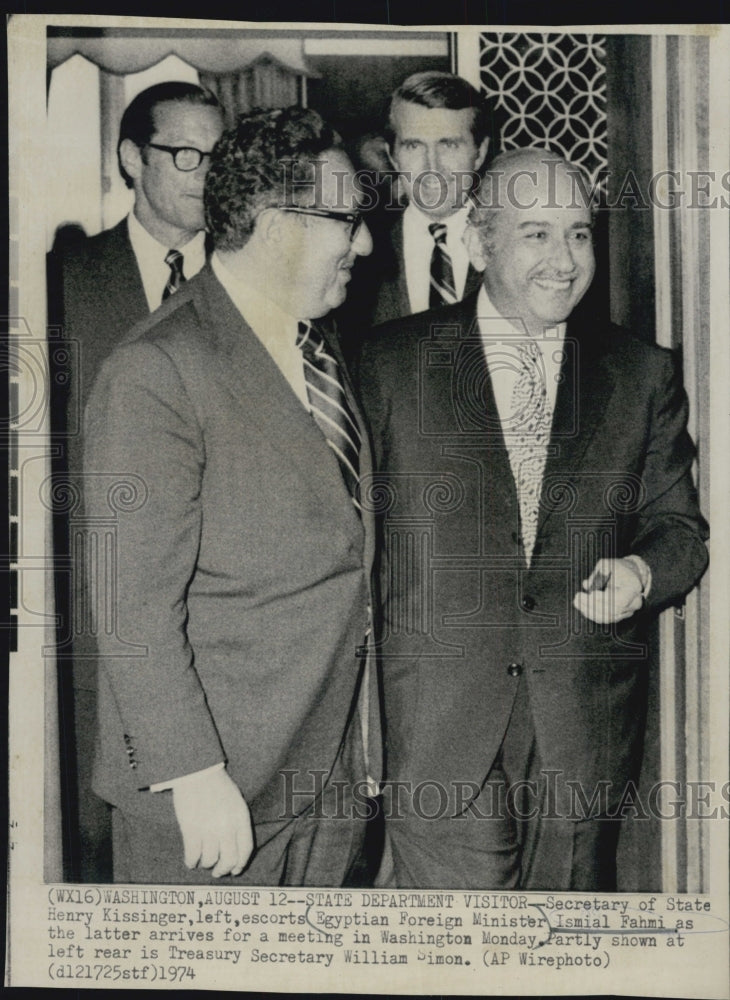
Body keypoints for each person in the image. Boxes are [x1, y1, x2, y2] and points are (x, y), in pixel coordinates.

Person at [357, 147, 709, 891]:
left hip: (580, 730)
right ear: (482, 241)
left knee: (564, 953)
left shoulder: (640, 372)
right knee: (458, 960)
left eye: (579, 233)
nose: (565, 259)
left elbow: (680, 530)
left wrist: (642, 571)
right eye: (537, 233)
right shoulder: (387, 365)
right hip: (436, 727)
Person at [83, 106, 380, 885]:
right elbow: (130, 603)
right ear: (281, 227)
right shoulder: (155, 370)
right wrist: (192, 773)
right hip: (212, 805)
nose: (366, 243)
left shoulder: (316, 342)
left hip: (327, 785)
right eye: (347, 221)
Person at [46, 81, 224, 881]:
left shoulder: (252, 290)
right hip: (92, 610)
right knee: (97, 832)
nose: (206, 174)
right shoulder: (60, 280)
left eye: (220, 157)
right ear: (131, 158)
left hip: (225, 622)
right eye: (186, 154)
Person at [348, 70, 497, 328]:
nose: (432, 166)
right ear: (392, 155)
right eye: (414, 146)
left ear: (480, 152)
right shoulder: (359, 255)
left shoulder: (510, 242)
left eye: (449, 145)